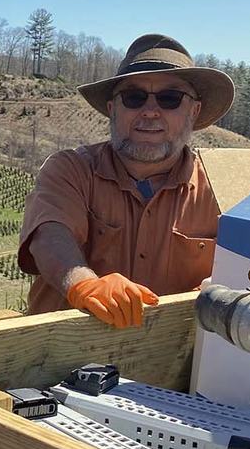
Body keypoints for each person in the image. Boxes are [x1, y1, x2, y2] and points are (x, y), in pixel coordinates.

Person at [17, 33, 235, 326]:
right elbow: (50, 234)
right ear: (112, 109)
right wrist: (84, 285)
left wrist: (221, 287)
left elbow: (249, 265)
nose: (149, 111)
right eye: (134, 97)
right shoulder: (70, 169)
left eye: (170, 98)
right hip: (61, 359)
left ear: (194, 112)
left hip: (171, 360)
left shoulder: (222, 189)